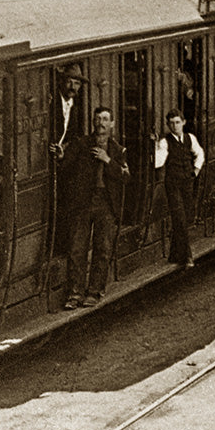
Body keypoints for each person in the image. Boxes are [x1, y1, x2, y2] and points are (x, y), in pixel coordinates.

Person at [55, 106, 129, 309]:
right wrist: (62, 156)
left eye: (105, 119)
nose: (101, 123)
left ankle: (94, 292)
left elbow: (125, 176)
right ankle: (75, 294)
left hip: (106, 203)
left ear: (111, 124)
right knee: (77, 249)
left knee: (102, 249)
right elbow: (66, 164)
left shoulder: (118, 150)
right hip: (83, 202)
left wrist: (107, 161)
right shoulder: (81, 144)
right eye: (98, 119)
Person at [154, 108, 204, 268]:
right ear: (168, 125)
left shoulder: (190, 138)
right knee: (180, 218)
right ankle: (187, 256)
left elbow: (200, 154)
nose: (175, 126)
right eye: (171, 123)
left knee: (186, 217)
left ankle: (174, 255)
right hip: (173, 185)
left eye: (177, 122)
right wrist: (155, 146)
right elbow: (158, 163)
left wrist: (195, 171)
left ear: (183, 122)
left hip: (187, 184)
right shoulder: (164, 142)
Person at [50, 62, 87, 156]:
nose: (73, 87)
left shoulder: (75, 107)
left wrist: (63, 148)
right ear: (61, 82)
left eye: (77, 83)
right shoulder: (51, 102)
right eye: (69, 82)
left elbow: (73, 138)